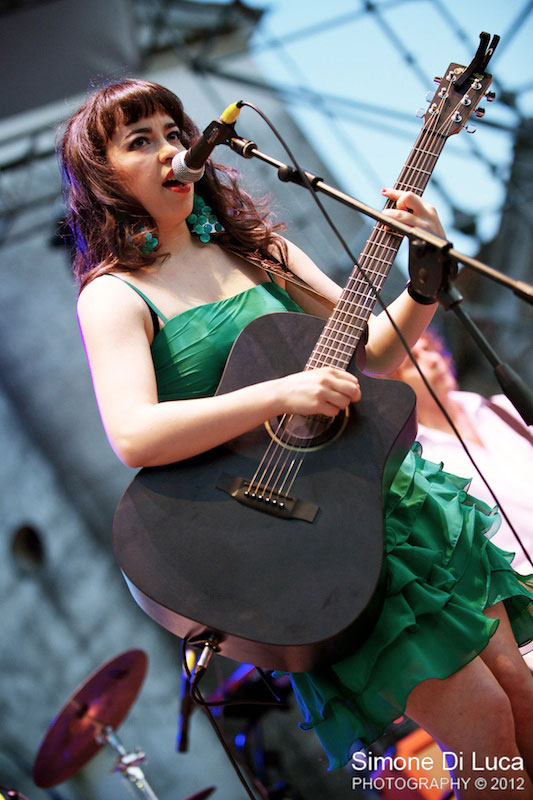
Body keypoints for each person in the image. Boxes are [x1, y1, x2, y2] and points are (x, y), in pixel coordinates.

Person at [60, 79, 533, 799]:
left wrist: (424, 284)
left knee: (522, 702)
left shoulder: (264, 251)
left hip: (395, 500)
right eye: (140, 141)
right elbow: (134, 434)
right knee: (484, 729)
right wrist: (278, 395)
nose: (171, 150)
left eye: (173, 132)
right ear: (104, 177)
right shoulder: (114, 294)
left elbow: (371, 351)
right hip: (309, 545)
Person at [388, 329, 533, 576]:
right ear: (396, 385)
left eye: (430, 349)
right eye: (414, 361)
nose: (433, 360)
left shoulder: (501, 408)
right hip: (520, 583)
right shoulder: (418, 459)